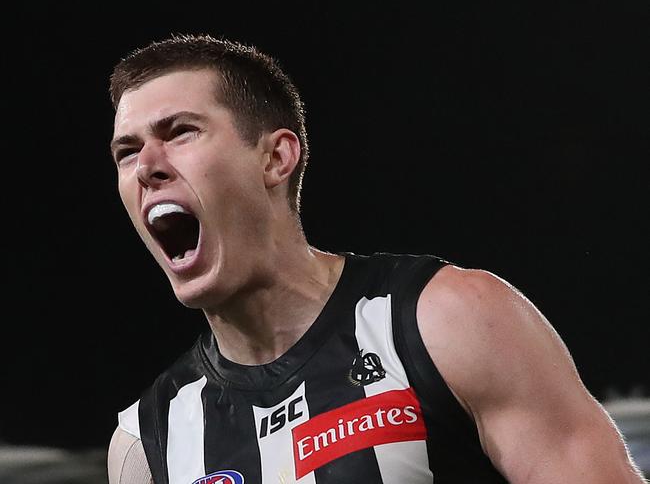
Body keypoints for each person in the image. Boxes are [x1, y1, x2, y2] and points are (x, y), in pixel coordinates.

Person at [106, 34, 645, 484]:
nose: (147, 165)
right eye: (127, 151)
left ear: (276, 157)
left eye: (180, 132)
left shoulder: (448, 319)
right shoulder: (148, 443)